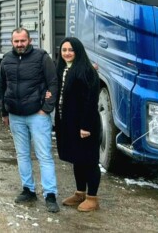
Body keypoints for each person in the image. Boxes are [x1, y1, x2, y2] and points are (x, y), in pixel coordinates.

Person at [0, 27, 60, 213]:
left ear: (29, 40)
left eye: (22, 41)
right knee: (22, 154)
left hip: (37, 115)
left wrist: (46, 108)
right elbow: (3, 86)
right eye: (16, 41)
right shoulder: (6, 60)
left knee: (44, 155)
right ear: (12, 42)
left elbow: (53, 82)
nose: (19, 44)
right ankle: (28, 190)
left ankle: (50, 194)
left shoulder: (42, 57)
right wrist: (4, 112)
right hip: (15, 116)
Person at [55, 37, 101, 212]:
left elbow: (91, 101)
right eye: (64, 50)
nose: (67, 53)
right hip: (68, 124)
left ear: (78, 51)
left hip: (85, 125)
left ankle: (92, 198)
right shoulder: (62, 69)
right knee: (77, 159)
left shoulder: (87, 71)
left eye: (71, 50)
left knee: (89, 161)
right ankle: (80, 193)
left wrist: (86, 126)